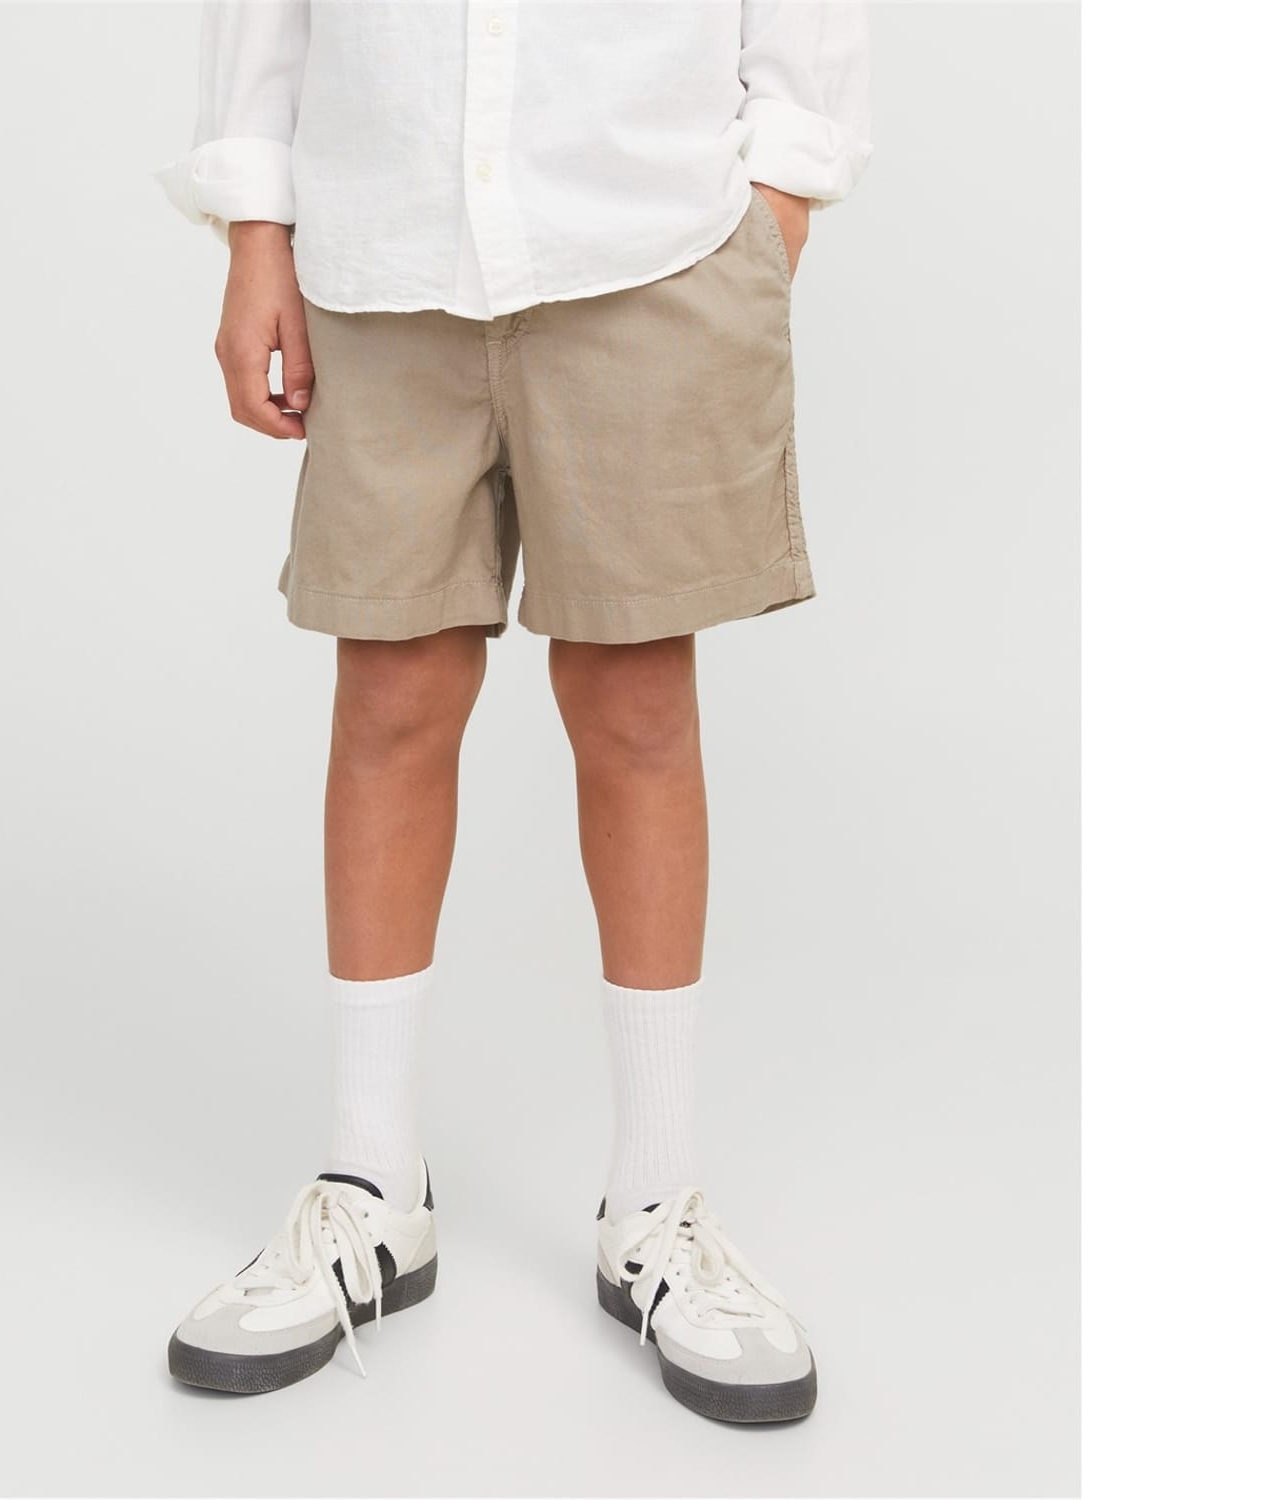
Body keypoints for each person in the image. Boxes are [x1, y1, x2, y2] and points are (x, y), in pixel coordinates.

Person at [157, 0, 870, 1423]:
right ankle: (373, 1187)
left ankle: (656, 1203)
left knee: (635, 700)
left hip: (648, 237)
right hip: (384, 241)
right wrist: (255, 227)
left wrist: (783, 186)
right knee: (392, 689)